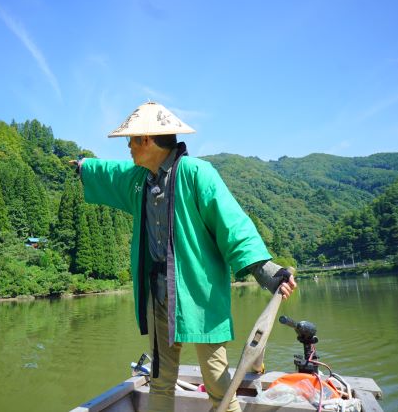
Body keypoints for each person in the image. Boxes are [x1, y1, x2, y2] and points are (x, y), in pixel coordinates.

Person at [70, 102, 296, 412]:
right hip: (158, 296)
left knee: (218, 381)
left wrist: (267, 272)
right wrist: (84, 166)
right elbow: (111, 172)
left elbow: (233, 225)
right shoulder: (139, 179)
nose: (128, 148)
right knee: (161, 380)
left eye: (131, 140)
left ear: (147, 140)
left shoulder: (196, 173)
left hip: (198, 293)